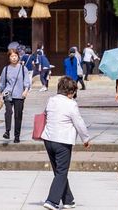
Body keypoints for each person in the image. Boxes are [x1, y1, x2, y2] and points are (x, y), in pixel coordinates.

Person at [40, 77, 91, 210]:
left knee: (59, 171)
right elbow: (79, 122)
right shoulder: (71, 104)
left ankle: (68, 200)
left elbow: (46, 113)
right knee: (62, 171)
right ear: (71, 91)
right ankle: (52, 200)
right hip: (62, 140)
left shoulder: (51, 100)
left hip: (48, 138)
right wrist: (85, 139)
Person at [0, 49, 31, 143]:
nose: (14, 58)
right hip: (8, 93)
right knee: (8, 111)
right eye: (11, 56)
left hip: (19, 94)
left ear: (18, 57)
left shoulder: (23, 68)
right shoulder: (6, 69)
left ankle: (17, 136)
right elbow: (2, 83)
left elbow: (27, 82)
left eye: (15, 56)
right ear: (9, 58)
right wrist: (0, 94)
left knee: (18, 115)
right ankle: (7, 131)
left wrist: (25, 91)